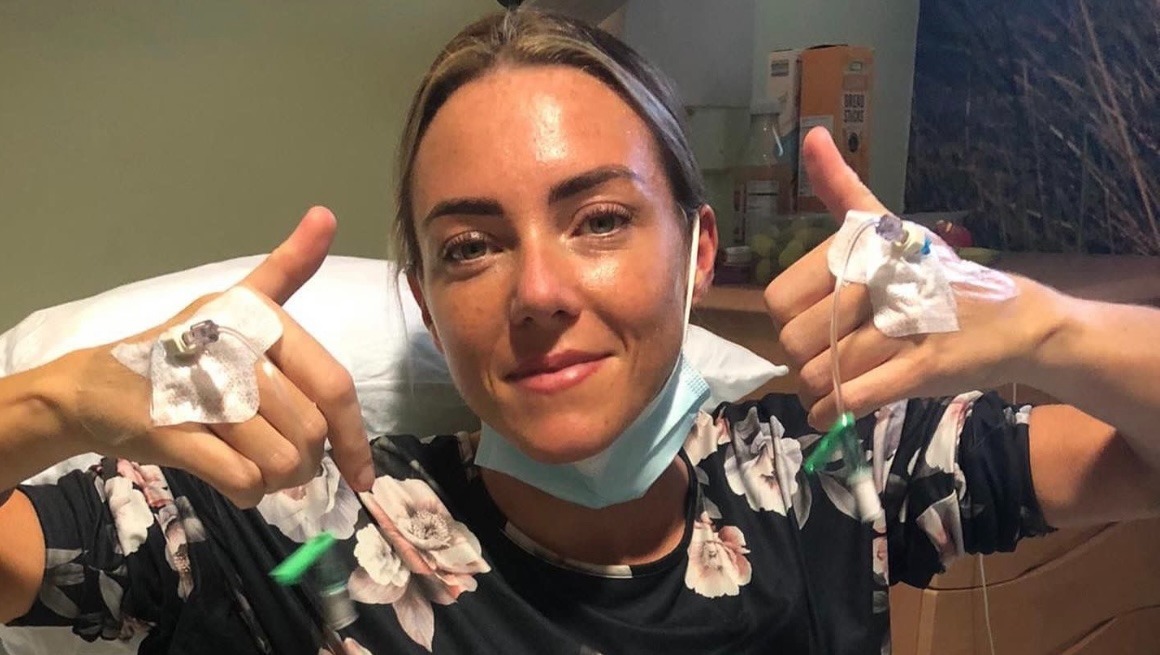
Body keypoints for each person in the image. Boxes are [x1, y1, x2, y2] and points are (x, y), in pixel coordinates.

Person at [1, 9, 1158, 655]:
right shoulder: (296, 528)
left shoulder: (824, 477)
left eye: (599, 218)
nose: (539, 289)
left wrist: (1040, 326)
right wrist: (59, 399)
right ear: (424, 298)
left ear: (696, 253)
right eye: (470, 245)